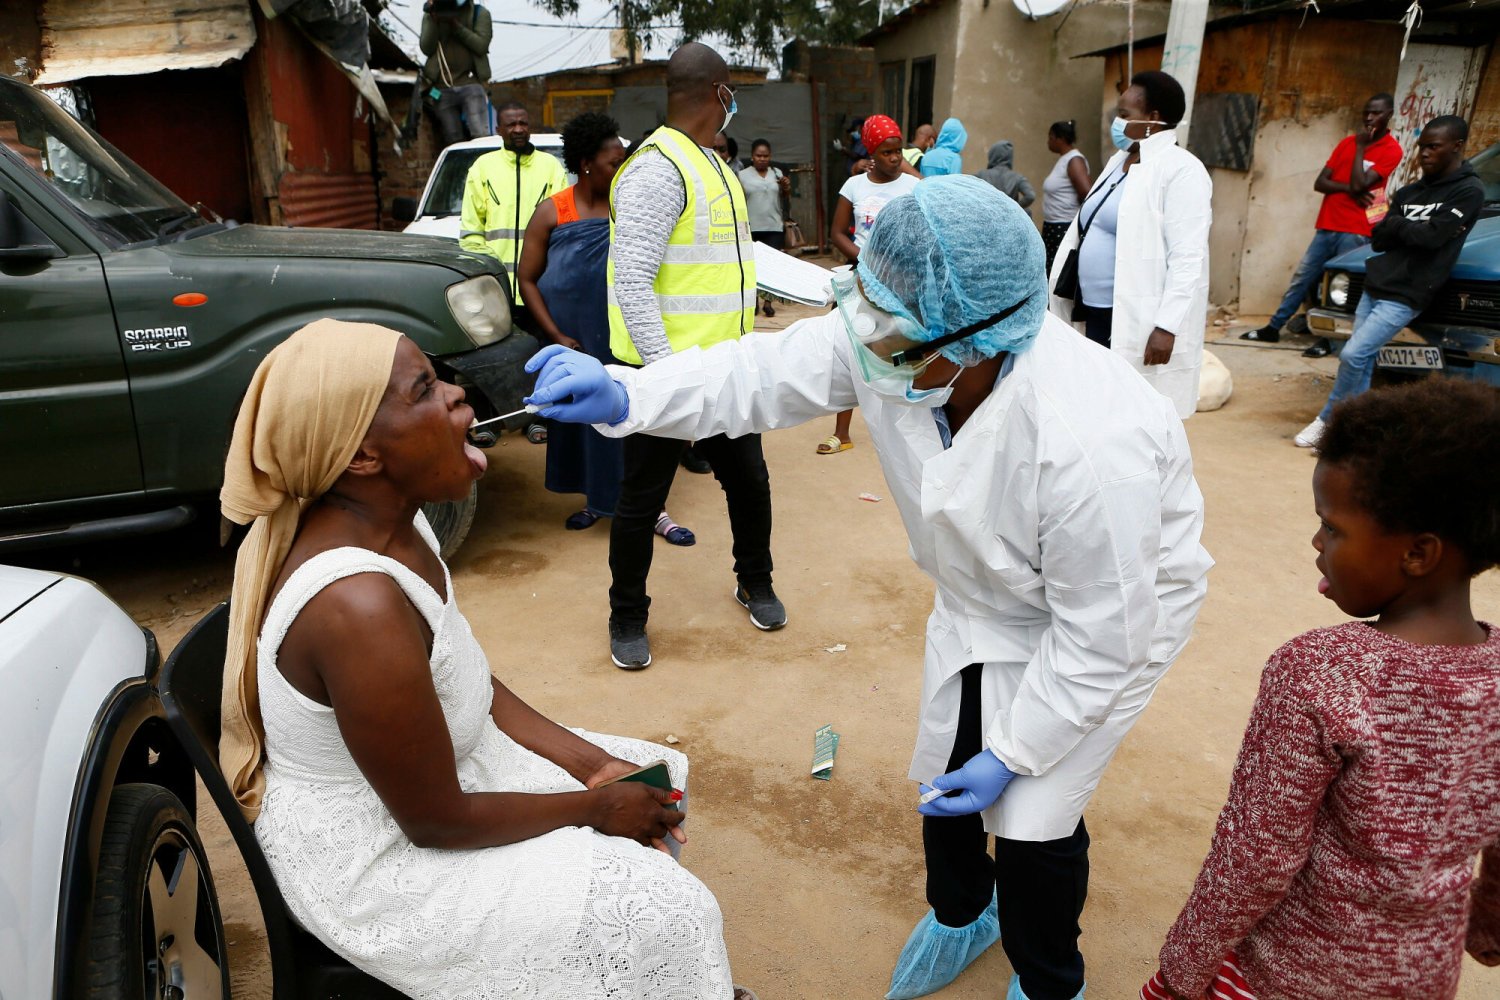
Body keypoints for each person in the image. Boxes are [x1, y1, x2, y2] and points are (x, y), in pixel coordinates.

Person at [524, 175, 1212, 1000]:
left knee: (1035, 814)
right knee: (947, 762)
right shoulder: (900, 338)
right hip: (984, 601)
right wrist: (629, 391)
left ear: (974, 345)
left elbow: (1103, 636)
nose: (864, 348)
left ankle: (1048, 976)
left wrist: (1018, 753)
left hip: (1104, 623)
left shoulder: (1095, 442)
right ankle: (963, 913)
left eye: (889, 340)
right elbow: (760, 371)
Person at [217, 318, 745, 999]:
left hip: (437, 780)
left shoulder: (395, 520)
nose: (460, 398)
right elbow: (434, 821)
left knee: (654, 775)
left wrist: (591, 767)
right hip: (385, 857)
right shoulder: (358, 606)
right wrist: (592, 807)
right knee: (669, 907)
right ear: (362, 458)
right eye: (426, 390)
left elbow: (465, 676)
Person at [1142, 378, 1500, 1000]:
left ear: (1418, 553)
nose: (1316, 544)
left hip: (1289, 978)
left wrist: (1180, 974)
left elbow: (1255, 859)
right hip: (1424, 977)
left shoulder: (1320, 672)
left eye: (1332, 529)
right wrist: (1491, 922)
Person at [602, 42, 781, 671]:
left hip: (726, 372)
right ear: (719, 94)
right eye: (732, 93)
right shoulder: (659, 168)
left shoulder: (714, 165)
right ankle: (627, 618)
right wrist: (669, 373)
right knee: (640, 502)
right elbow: (633, 282)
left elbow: (721, 265)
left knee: (750, 485)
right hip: (669, 377)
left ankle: (754, 582)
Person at [515, 112, 695, 545]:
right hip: (574, 336)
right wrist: (557, 337)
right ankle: (595, 501)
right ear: (586, 162)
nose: (623, 168)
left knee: (638, 415)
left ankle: (656, 510)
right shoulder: (552, 210)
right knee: (587, 419)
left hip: (625, 331)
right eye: (615, 162)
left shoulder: (629, 208)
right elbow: (527, 278)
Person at [1294, 115, 1484, 448]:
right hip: (1377, 283)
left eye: (1433, 147)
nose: (1423, 154)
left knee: (1353, 354)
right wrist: (1402, 229)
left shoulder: (1469, 190)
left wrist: (1398, 226)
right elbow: (1379, 238)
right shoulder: (1409, 191)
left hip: (1410, 292)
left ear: (1457, 147)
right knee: (1362, 359)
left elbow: (1432, 238)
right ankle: (1357, 433)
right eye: (1421, 147)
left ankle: (1328, 422)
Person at [1048, 70, 1212, 420]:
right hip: (1092, 307)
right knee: (1094, 402)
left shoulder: (1181, 170)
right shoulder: (1118, 163)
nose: (1117, 122)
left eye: (1125, 115)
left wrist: (1167, 326)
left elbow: (1188, 257)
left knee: (1134, 411)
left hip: (1135, 315)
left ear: (1154, 119)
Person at [1241, 94, 1401, 355]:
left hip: (1358, 228)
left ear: (1389, 115)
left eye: (1377, 113)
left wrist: (1362, 149)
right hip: (1328, 223)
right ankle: (1273, 328)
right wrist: (1351, 188)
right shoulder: (1346, 143)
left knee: (1341, 288)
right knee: (1303, 278)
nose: (1370, 118)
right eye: (1367, 112)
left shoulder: (1392, 149)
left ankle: (1330, 340)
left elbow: (1363, 185)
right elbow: (1320, 183)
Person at [823, 114, 920, 456]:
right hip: (862, 277)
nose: (894, 159)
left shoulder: (912, 187)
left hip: (901, 283)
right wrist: (865, 260)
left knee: (901, 354)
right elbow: (836, 232)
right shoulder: (855, 186)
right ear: (871, 153)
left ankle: (903, 435)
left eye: (898, 151)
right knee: (851, 350)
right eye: (887, 153)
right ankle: (841, 431)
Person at [459, 101, 568, 309]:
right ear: (498, 130)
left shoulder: (551, 166)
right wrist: (485, 275)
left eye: (523, 123)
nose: (518, 129)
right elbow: (471, 233)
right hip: (494, 289)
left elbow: (562, 227)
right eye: (511, 125)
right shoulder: (482, 168)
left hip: (540, 287)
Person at [419, 0, 493, 148]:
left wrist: (455, 26)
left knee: (480, 135)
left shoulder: (479, 14)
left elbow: (481, 46)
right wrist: (434, 20)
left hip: (471, 82)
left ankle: (485, 166)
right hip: (441, 86)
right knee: (452, 137)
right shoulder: (432, 15)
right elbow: (427, 48)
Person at [739, 138, 792, 317]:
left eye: (765, 155)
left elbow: (785, 197)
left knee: (771, 268)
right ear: (752, 157)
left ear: (770, 157)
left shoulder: (777, 173)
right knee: (752, 266)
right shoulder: (742, 175)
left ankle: (768, 303)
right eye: (758, 155)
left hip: (773, 226)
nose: (762, 158)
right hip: (750, 227)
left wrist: (786, 188)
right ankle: (753, 301)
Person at [1040, 120, 1091, 274]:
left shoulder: (1074, 160)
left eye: (1050, 137)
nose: (1048, 142)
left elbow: (1086, 192)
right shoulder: (1064, 159)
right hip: (1053, 226)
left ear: (1060, 138)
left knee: (1059, 273)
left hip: (1063, 227)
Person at [975, 140, 1036, 210]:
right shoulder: (1018, 177)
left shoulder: (981, 175)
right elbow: (1030, 196)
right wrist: (1015, 209)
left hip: (986, 215)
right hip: (1010, 219)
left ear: (992, 155)